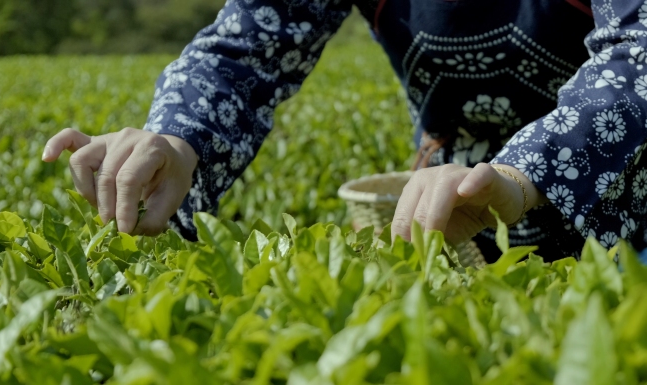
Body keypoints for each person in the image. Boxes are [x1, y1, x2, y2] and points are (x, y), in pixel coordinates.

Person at [42, 0, 647, 262]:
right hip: (450, 209)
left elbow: (639, 52)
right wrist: (177, 138)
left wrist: (524, 174)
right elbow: (249, 49)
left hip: (624, 200)